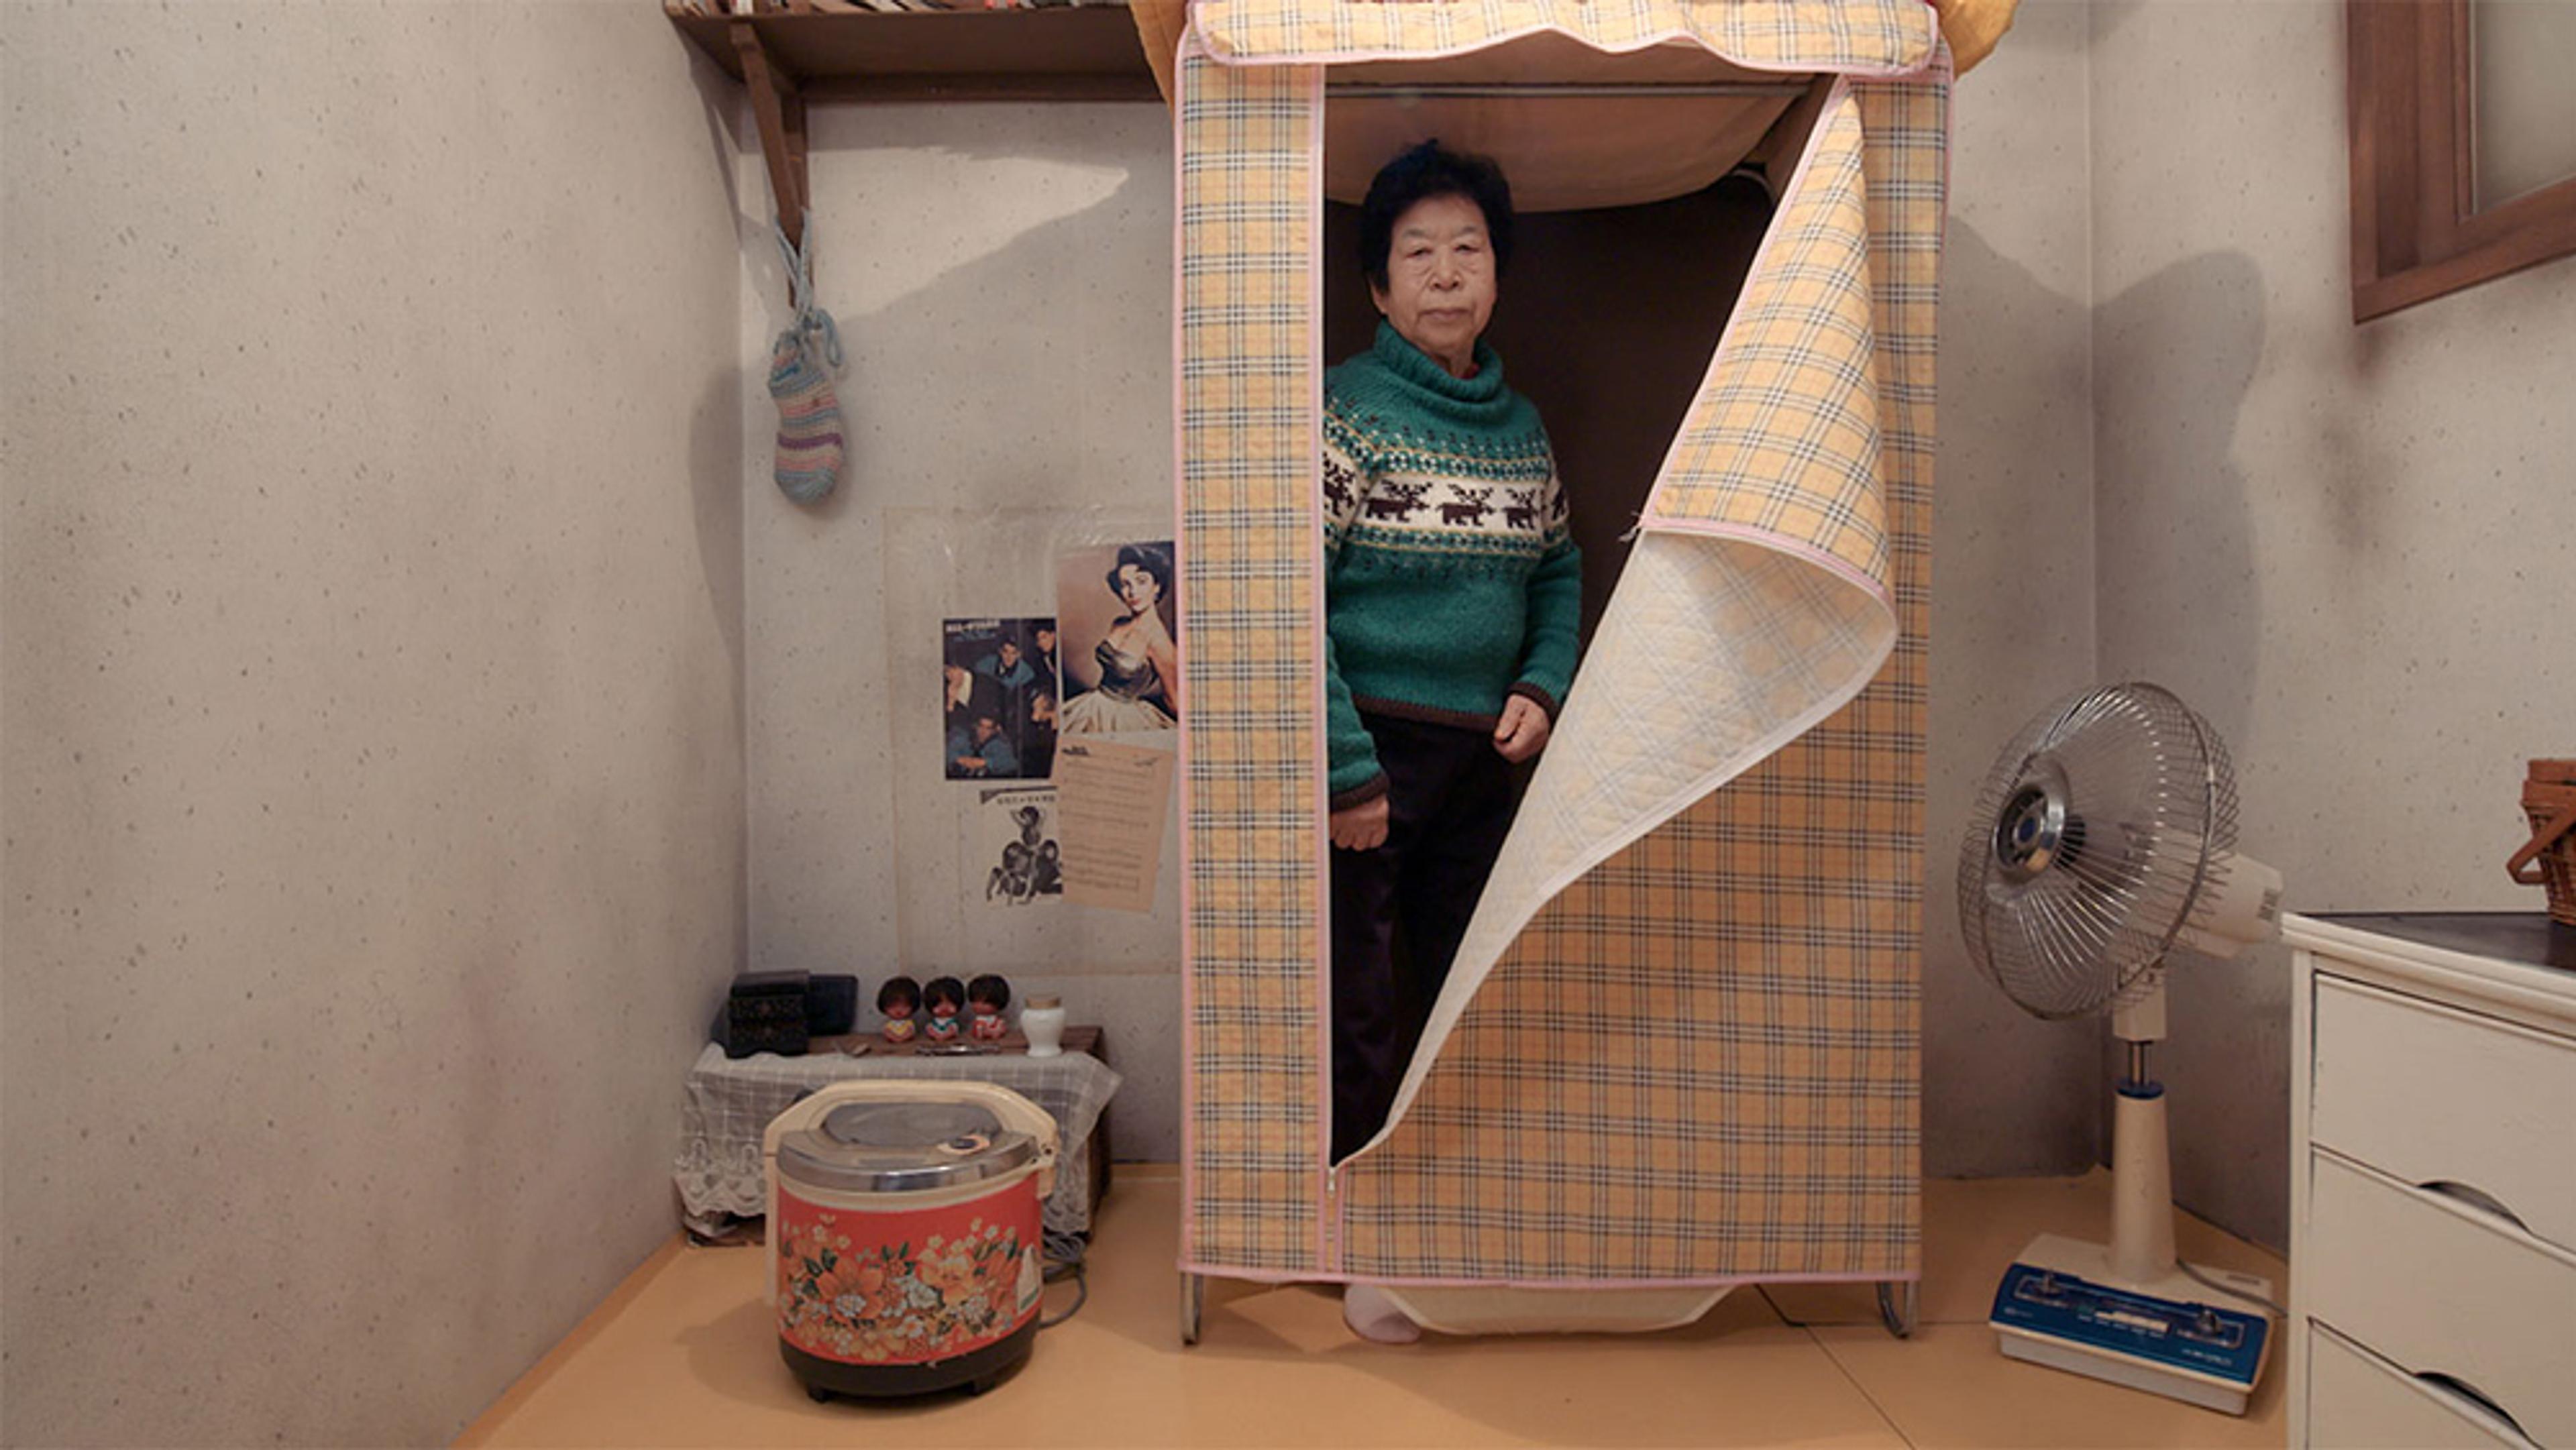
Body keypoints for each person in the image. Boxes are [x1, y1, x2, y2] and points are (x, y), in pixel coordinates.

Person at [1324, 141, 1580, 1165]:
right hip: (1369, 754)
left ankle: (1450, 1193)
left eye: (1467, 249)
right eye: (1417, 252)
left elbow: (1557, 569)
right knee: (1362, 1002)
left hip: (1485, 760)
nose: (1444, 272)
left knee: (1471, 985)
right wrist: (1345, 774)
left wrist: (1543, 683)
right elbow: (1281, 597)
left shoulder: (1522, 428)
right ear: (1381, 289)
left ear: (1496, 277)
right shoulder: (1345, 410)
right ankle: (1353, 1213)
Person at [1059, 543, 1180, 734]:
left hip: (1124, 719)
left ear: (1157, 586)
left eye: (1141, 582)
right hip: (1091, 707)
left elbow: (1177, 703)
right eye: (1125, 584)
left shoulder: (1160, 642)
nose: (1133, 593)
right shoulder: (1119, 623)